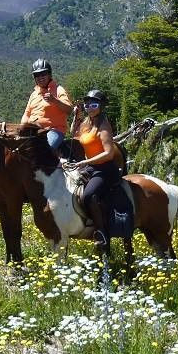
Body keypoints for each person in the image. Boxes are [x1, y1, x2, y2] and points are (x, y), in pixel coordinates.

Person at [66, 89, 122, 253]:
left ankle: (101, 232)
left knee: (89, 194)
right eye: (87, 104)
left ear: (101, 106)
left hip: (105, 168)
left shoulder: (103, 125)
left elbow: (108, 153)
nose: (90, 107)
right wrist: (75, 117)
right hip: (91, 166)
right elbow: (73, 134)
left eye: (94, 104)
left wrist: (84, 161)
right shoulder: (86, 122)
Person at [21, 58, 73, 151]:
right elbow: (27, 113)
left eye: (43, 74)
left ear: (49, 74)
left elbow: (69, 110)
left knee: (43, 150)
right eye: (37, 75)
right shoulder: (34, 94)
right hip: (33, 130)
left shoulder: (58, 90)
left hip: (53, 130)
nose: (40, 77)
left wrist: (55, 100)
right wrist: (22, 127)